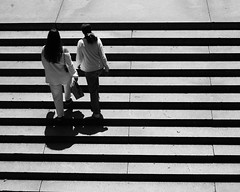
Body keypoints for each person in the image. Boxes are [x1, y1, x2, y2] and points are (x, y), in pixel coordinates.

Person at [41, 28, 78, 121]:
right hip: (64, 75)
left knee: (57, 96)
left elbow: (44, 64)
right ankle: (68, 99)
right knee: (67, 85)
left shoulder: (44, 50)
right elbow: (70, 65)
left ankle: (60, 115)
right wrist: (75, 74)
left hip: (52, 77)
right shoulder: (63, 50)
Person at [76, 23, 109, 119]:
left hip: (89, 70)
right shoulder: (97, 40)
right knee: (95, 87)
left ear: (82, 32)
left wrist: (76, 67)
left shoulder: (81, 42)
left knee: (93, 91)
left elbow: (79, 57)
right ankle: (96, 102)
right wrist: (106, 66)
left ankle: (96, 112)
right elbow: (102, 55)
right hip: (98, 68)